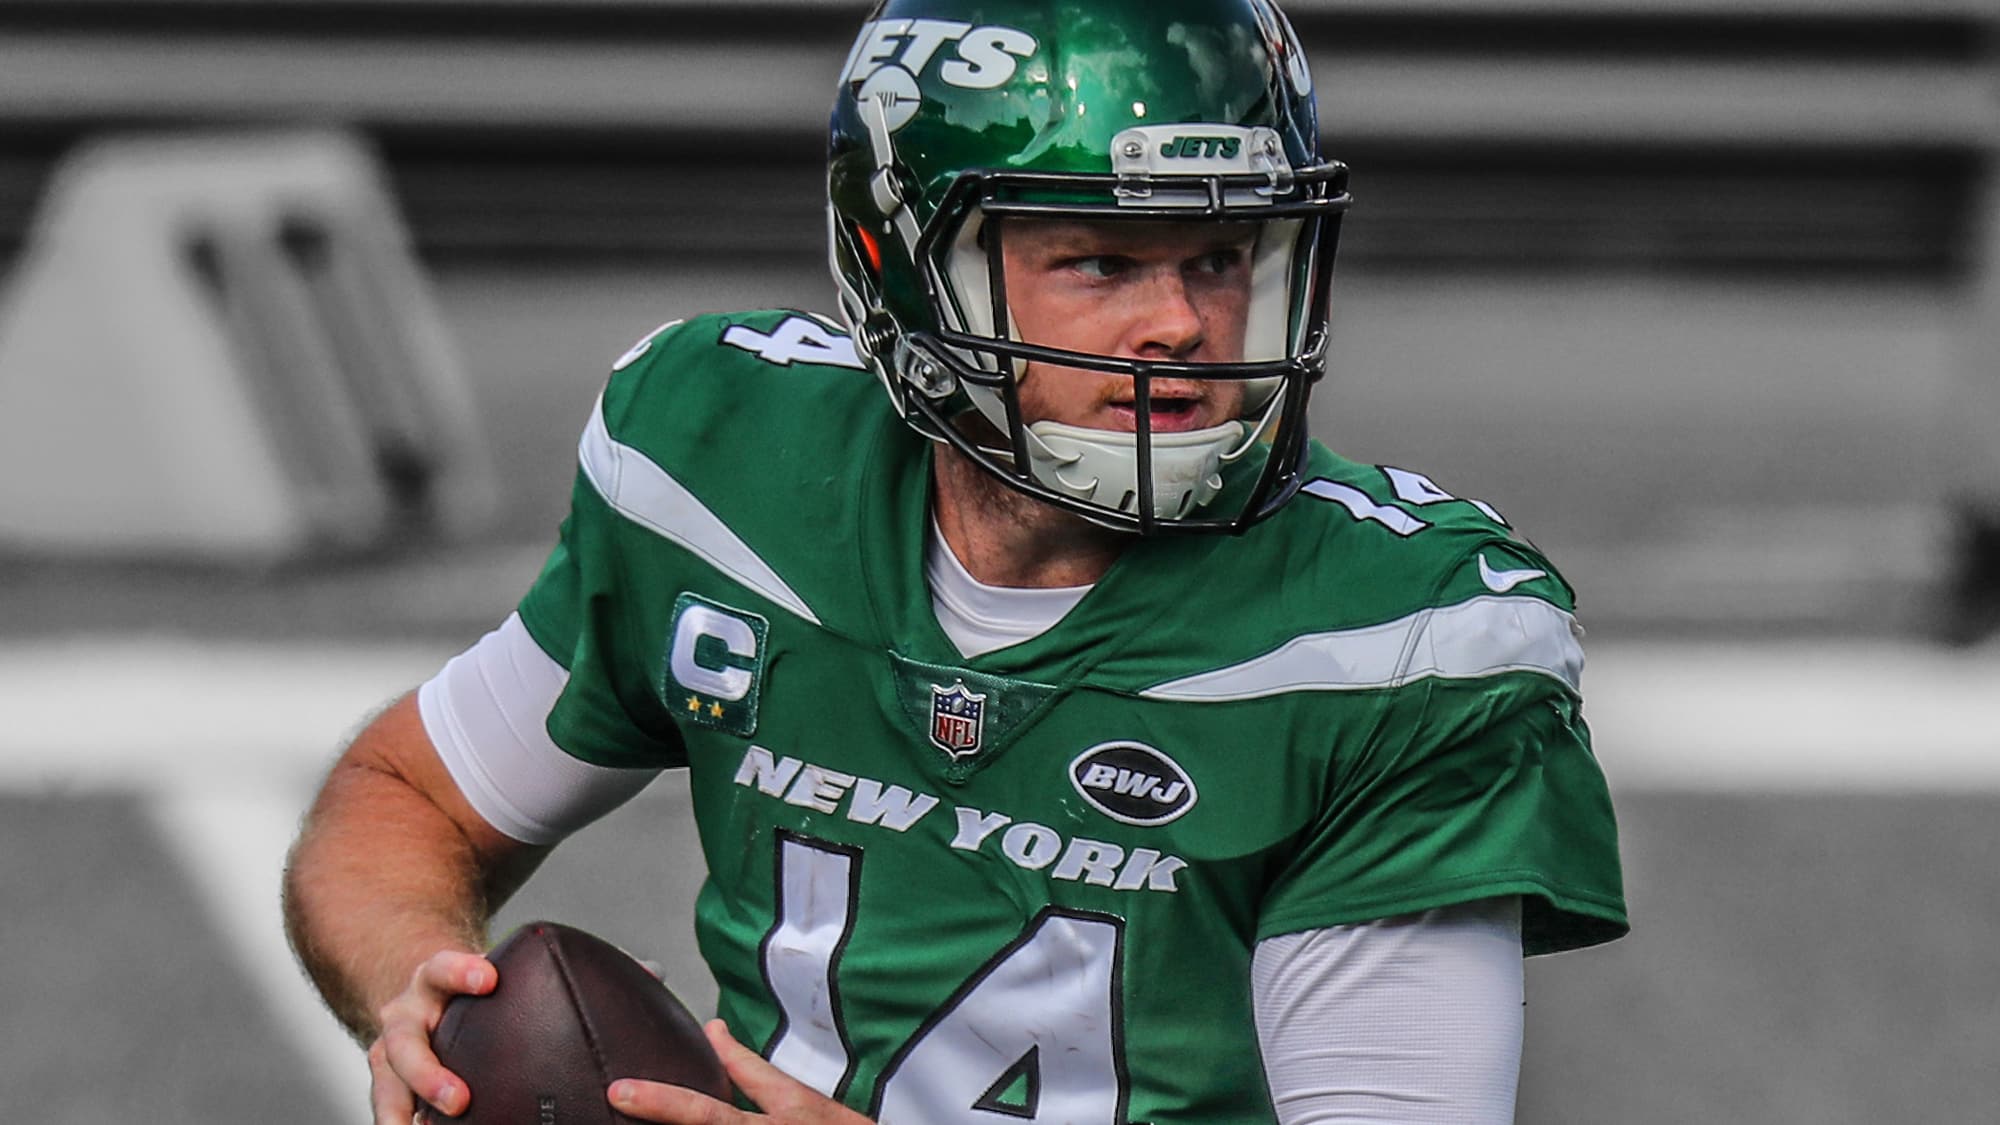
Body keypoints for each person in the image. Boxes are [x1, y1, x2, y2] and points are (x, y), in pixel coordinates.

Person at [283, 0, 1628, 1122]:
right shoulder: (724, 460)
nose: (1182, 321)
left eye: (1225, 253)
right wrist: (421, 982)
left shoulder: (1401, 640)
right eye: (1100, 259)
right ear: (910, 270)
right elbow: (400, 796)